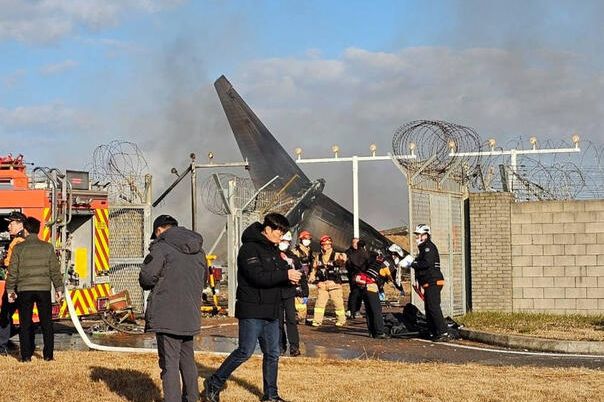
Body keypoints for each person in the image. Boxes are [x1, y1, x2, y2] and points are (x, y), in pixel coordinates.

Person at [204, 213, 301, 402]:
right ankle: (214, 382)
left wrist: (292, 279)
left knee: (272, 354)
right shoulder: (249, 249)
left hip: (271, 310)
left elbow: (278, 276)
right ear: (268, 229)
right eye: (279, 232)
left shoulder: (274, 251)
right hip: (252, 309)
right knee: (245, 351)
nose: (281, 236)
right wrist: (285, 275)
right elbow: (258, 277)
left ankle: (271, 395)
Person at [139, 215, 206, 402]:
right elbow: (204, 279)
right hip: (190, 314)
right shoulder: (198, 250)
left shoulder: (161, 247)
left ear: (159, 230)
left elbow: (147, 278)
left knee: (169, 364)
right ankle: (192, 398)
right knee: (188, 361)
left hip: (167, 313)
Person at [6, 217, 64, 362]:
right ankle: (48, 356)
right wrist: (58, 288)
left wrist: (10, 290)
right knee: (47, 323)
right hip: (43, 290)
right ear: (37, 230)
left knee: (25, 323)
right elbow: (54, 270)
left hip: (24, 290)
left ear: (25, 230)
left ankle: (26, 356)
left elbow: (13, 272)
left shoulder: (19, 248)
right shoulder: (48, 247)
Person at [404, 224, 449, 342]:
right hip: (429, 282)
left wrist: (412, 264)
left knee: (433, 307)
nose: (417, 237)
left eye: (418, 235)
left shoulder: (428, 247)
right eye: (417, 235)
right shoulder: (423, 248)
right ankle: (433, 331)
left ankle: (443, 332)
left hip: (433, 281)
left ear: (425, 235)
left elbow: (426, 264)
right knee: (429, 308)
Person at [0, 211, 27, 356]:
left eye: (10, 223)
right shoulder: (28, 238)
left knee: (5, 315)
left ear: (18, 223)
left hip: (14, 283)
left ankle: (1, 346)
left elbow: (9, 263)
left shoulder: (17, 241)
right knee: (25, 316)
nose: (8, 227)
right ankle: (27, 347)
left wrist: (3, 261)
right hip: (26, 284)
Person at [310, 235, 347, 327]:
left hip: (334, 285)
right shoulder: (318, 257)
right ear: (321, 245)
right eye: (324, 245)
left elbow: (343, 259)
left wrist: (343, 258)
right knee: (319, 304)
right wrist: (312, 277)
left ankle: (341, 320)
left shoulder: (336, 255)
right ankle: (317, 320)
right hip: (323, 285)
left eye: (328, 244)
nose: (326, 246)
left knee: (338, 304)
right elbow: (314, 269)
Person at [277, 231, 303, 357]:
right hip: (276, 292)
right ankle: (280, 346)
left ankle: (294, 346)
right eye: (282, 241)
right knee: (278, 321)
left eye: (286, 242)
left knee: (291, 319)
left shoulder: (293, 257)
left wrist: (303, 289)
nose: (283, 244)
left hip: (289, 292)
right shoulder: (273, 255)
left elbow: (300, 272)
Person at [354, 251, 390, 339]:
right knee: (376, 310)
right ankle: (379, 332)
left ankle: (372, 331)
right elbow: (388, 276)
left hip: (363, 288)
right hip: (371, 287)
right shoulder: (379, 265)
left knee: (369, 310)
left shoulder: (364, 264)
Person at [291, 231, 313, 323]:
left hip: (305, 275)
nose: (307, 241)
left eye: (308, 239)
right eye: (305, 239)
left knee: (304, 293)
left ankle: (301, 316)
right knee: (299, 294)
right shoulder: (296, 251)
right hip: (298, 275)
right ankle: (300, 317)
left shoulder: (309, 250)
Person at [345, 238, 368, 319]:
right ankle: (351, 310)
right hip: (353, 275)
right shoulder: (349, 252)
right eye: (354, 243)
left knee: (359, 293)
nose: (355, 244)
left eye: (357, 243)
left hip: (361, 275)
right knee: (354, 292)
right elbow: (348, 264)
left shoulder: (363, 252)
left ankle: (356, 310)